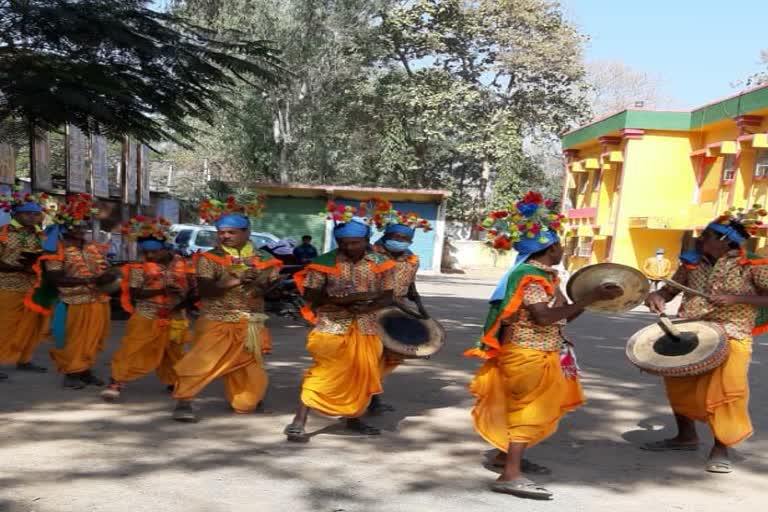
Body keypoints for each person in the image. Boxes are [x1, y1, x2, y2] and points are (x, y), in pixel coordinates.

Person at [467, 191, 622, 499]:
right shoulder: (532, 279)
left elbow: (561, 318)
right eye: (560, 243)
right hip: (528, 354)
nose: (563, 247)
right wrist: (590, 298)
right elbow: (542, 317)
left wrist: (588, 298)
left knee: (522, 408)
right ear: (552, 247)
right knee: (528, 410)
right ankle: (509, 474)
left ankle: (505, 457)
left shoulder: (546, 276)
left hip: (542, 352)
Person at [644, 207, 768, 474]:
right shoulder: (691, 262)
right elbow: (669, 290)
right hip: (691, 331)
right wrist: (658, 298)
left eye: (707, 235)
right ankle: (686, 436)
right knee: (679, 383)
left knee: (725, 393)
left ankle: (721, 448)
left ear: (724, 240)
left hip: (732, 333)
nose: (701, 240)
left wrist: (738, 299)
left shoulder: (752, 264)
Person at [285, 213, 396, 442]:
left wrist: (365, 306)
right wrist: (340, 300)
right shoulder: (323, 263)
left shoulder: (382, 263)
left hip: (367, 327)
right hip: (331, 325)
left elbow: (388, 296)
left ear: (367, 240)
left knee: (362, 375)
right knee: (322, 372)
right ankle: (298, 421)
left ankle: (354, 417)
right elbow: (310, 294)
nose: (349, 247)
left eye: (355, 242)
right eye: (344, 243)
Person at [171, 197, 283, 422]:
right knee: (200, 362)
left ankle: (244, 398)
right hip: (216, 319)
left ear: (246, 232)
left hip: (251, 322)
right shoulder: (209, 258)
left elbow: (269, 293)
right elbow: (205, 291)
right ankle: (184, 401)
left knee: (250, 385)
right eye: (221, 232)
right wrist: (235, 280)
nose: (225, 237)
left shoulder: (266, 259)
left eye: (232, 232)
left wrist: (263, 285)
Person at [101, 217, 191, 402]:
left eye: (155, 252)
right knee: (133, 348)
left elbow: (191, 288)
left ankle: (174, 381)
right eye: (146, 252)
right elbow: (135, 294)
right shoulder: (138, 268)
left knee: (173, 351)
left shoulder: (182, 264)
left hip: (175, 315)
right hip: (147, 314)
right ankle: (116, 381)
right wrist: (162, 290)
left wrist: (183, 295)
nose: (150, 256)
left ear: (165, 249)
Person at [31, 194, 116, 389]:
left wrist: (109, 275)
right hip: (74, 302)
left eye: (83, 225)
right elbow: (55, 279)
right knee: (74, 340)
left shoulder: (92, 247)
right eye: (76, 226)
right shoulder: (55, 249)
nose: (81, 229)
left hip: (99, 300)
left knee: (94, 339)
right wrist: (91, 279)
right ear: (66, 227)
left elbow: (104, 269)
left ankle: (85, 370)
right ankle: (71, 372)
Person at [369, 201, 431, 414]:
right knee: (370, 356)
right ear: (387, 236)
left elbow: (410, 285)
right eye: (397, 238)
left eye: (406, 239)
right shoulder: (370, 257)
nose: (401, 242)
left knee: (389, 356)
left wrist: (420, 306)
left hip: (398, 311)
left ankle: (373, 397)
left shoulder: (411, 260)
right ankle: (362, 399)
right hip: (370, 311)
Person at [0, 191, 48, 379]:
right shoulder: (3, 233)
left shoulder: (40, 235)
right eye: (27, 213)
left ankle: (24, 359)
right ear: (16, 215)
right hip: (6, 286)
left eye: (36, 214)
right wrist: (19, 268)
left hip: (32, 288)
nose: (32, 217)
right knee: (5, 326)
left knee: (31, 326)